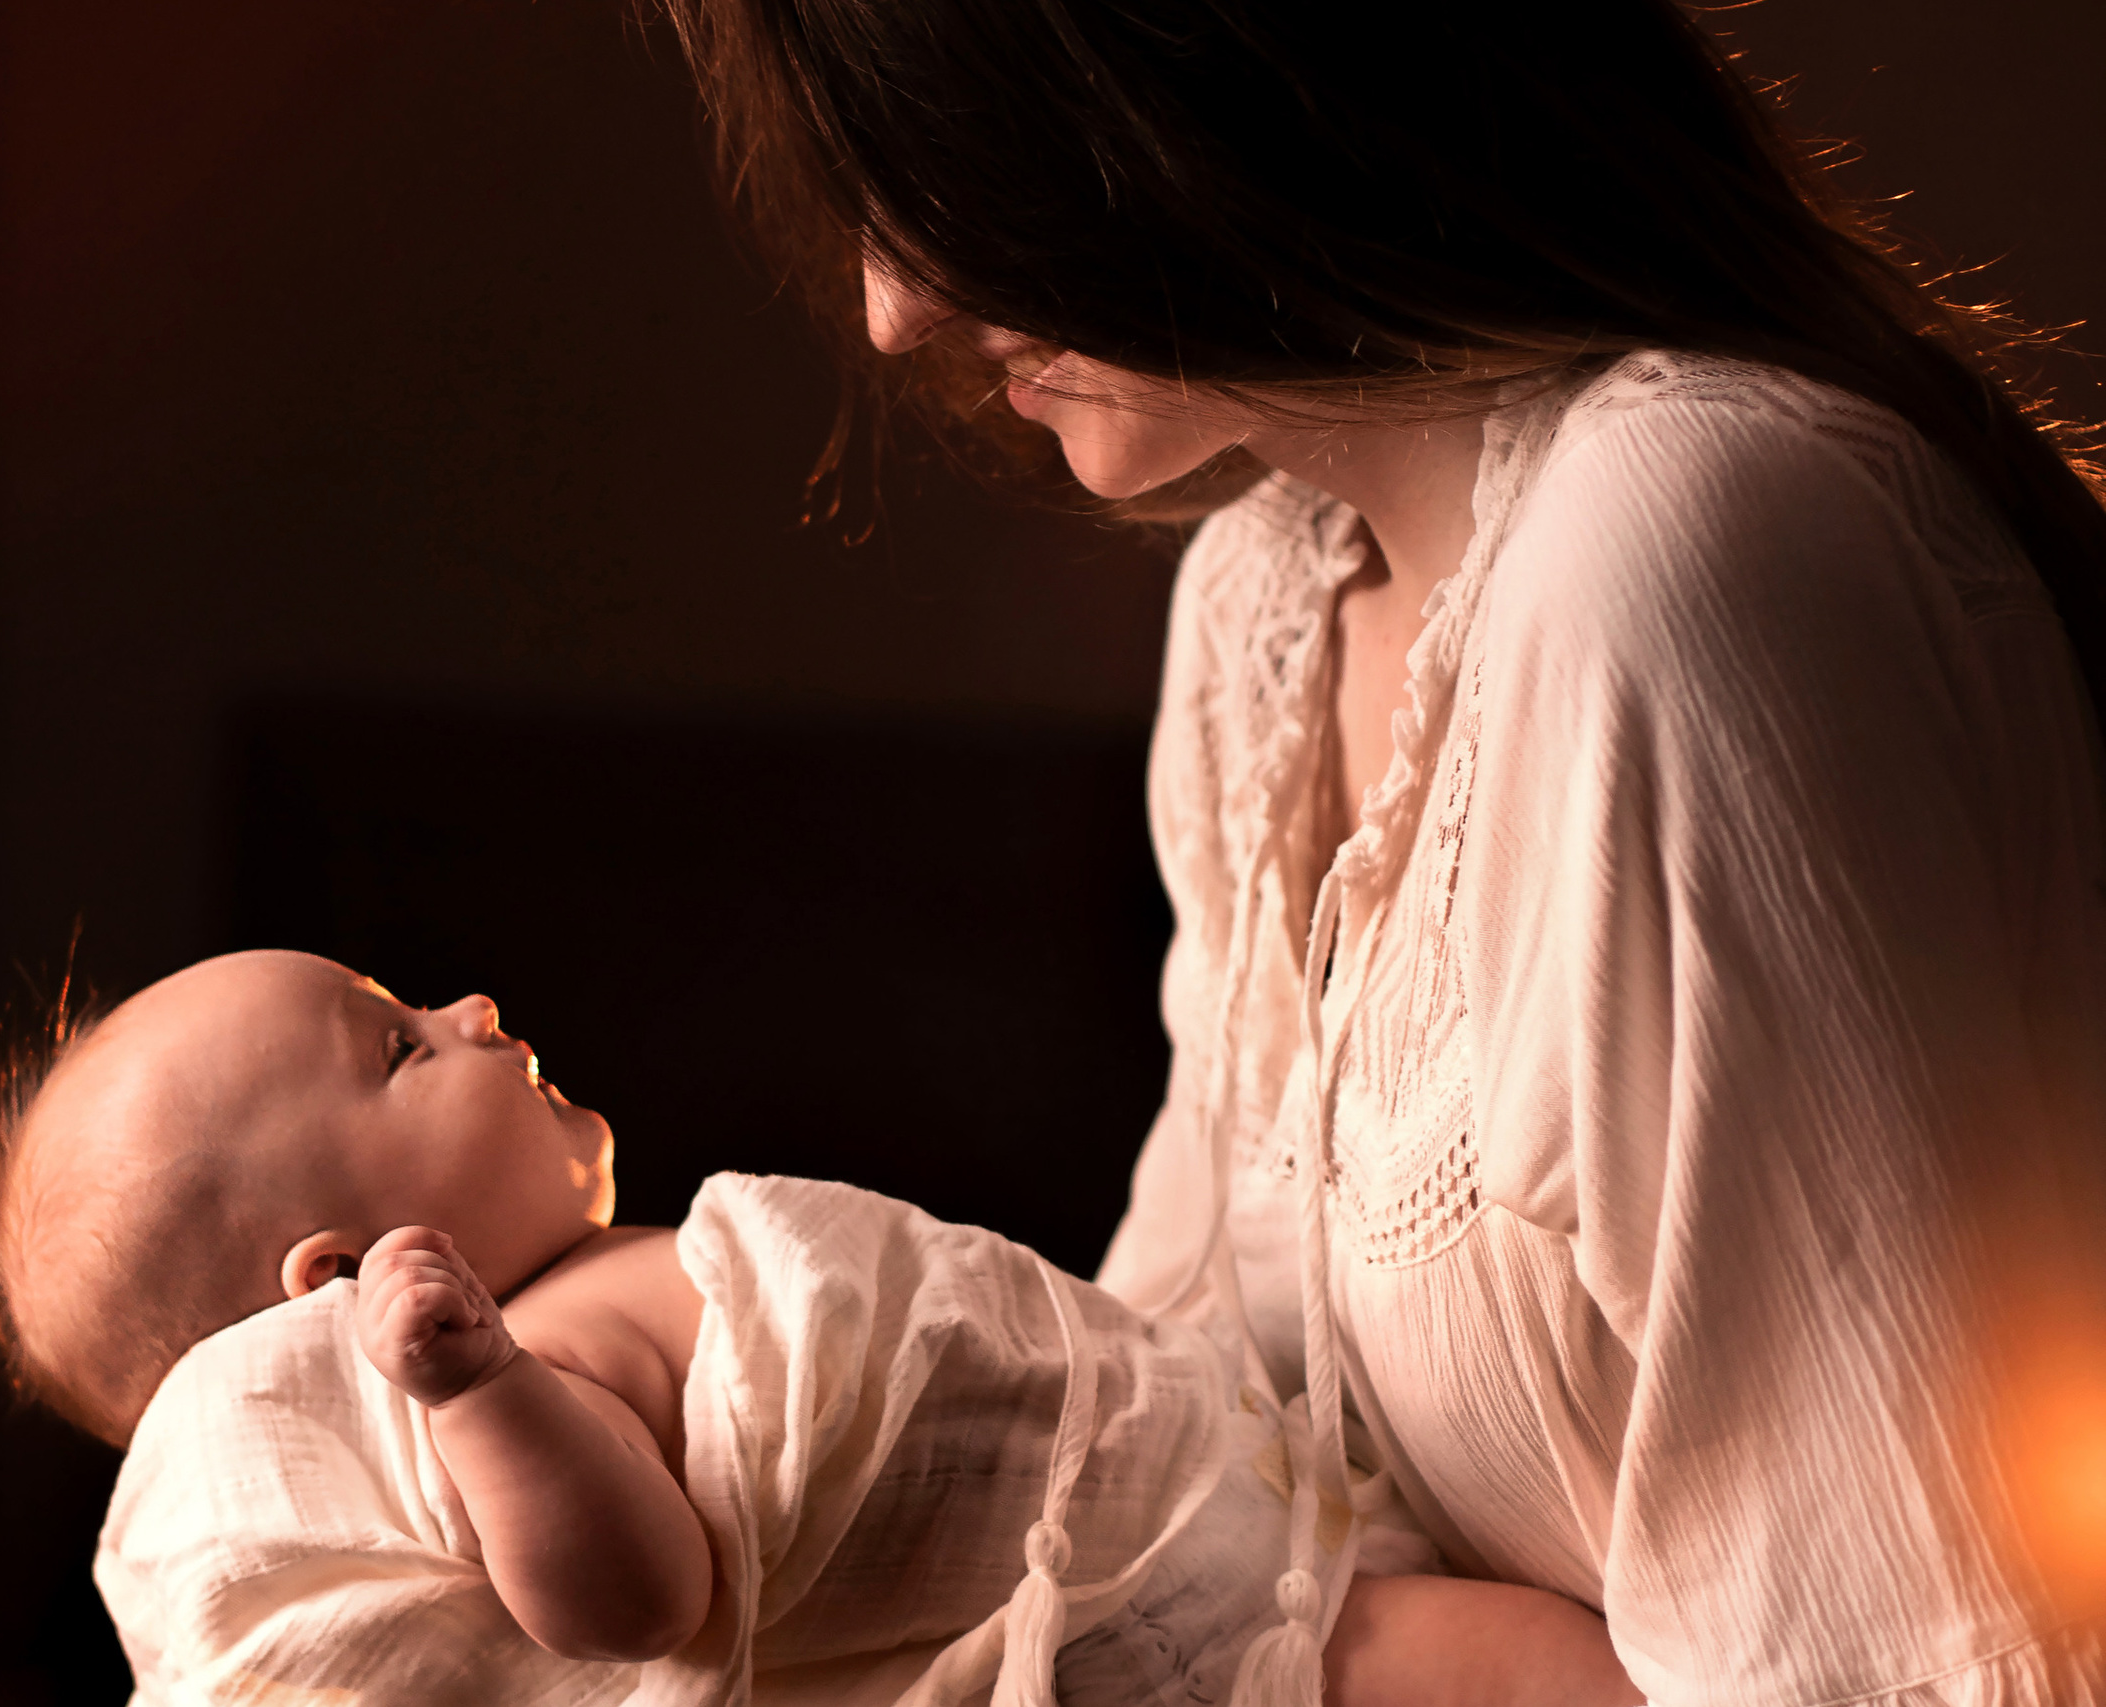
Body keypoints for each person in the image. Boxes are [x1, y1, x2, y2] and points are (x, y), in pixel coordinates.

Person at [650, 0, 2106, 1702]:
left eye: (960, 151)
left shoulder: (1676, 555)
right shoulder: (1266, 604)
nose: (899, 307)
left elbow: (1917, 1651)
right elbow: (1158, 1459)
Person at [0, 947, 1507, 1707]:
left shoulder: (587, 1292)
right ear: (348, 1287)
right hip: (1190, 1643)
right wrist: (480, 1394)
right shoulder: (539, 1375)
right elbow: (639, 1598)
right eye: (396, 1049)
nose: (470, 1011)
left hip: (1210, 1517)